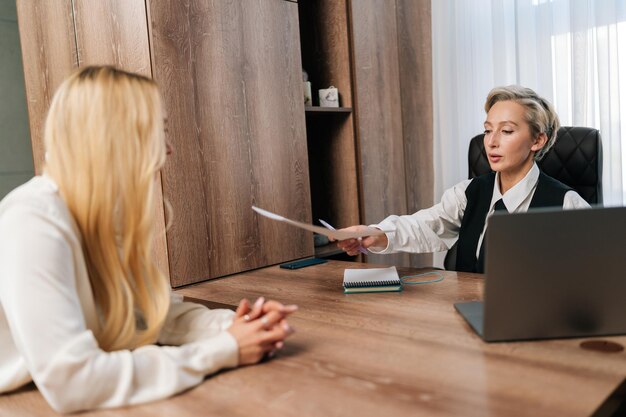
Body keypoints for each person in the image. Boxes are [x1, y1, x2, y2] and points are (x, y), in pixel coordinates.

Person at [0, 66, 296, 413]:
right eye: (162, 130)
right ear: (117, 137)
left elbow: (151, 316)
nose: (169, 149)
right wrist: (224, 350)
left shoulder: (101, 215)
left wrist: (236, 326)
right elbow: (73, 382)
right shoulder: (33, 221)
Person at [336, 85, 590, 272]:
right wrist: (374, 233)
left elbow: (598, 272)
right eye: (488, 130)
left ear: (537, 140)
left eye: (507, 131)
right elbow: (426, 225)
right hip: (469, 315)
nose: (491, 142)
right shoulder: (468, 193)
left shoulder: (567, 204)